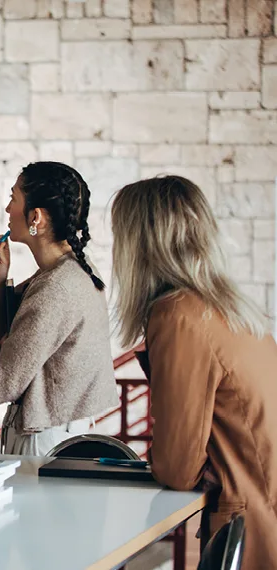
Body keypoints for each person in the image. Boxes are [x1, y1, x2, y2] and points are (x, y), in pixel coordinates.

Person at [111, 175, 277, 567]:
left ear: (140, 243)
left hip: (251, 529)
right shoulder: (231, 309)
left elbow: (177, 467)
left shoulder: (179, 314)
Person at [0, 161, 117, 457]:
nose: (7, 209)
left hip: (43, 445)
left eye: (13, 198)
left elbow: (0, 385)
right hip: (56, 437)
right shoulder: (74, 272)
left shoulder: (56, 288)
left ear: (36, 217)